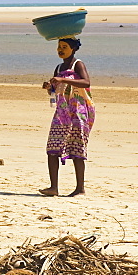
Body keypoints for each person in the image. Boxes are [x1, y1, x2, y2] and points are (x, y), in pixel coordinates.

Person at [39, 37, 94, 197]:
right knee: (52, 149)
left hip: (78, 112)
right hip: (62, 114)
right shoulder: (58, 67)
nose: (60, 50)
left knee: (77, 149)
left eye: (64, 47)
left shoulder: (78, 64)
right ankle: (53, 187)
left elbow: (86, 83)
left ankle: (80, 189)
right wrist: (50, 87)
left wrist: (62, 79)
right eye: (59, 47)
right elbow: (57, 91)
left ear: (73, 49)